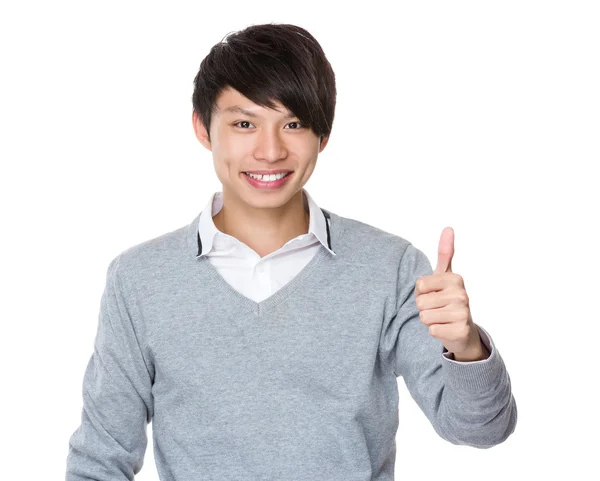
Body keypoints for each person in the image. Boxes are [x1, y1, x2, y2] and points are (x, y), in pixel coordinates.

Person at [65, 22, 517, 481]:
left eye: (293, 124)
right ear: (203, 128)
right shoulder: (140, 279)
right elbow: (101, 458)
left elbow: (482, 429)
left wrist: (465, 348)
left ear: (323, 134)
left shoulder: (390, 267)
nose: (270, 150)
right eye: (244, 123)